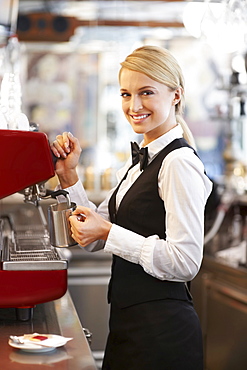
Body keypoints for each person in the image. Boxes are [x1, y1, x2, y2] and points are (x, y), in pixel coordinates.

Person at [51, 45, 212, 370]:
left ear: (176, 95)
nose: (134, 105)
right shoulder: (139, 162)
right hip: (130, 326)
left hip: (164, 336)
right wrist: (69, 176)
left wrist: (110, 232)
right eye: (126, 94)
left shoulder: (179, 162)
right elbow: (94, 237)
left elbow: (186, 262)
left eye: (146, 92)